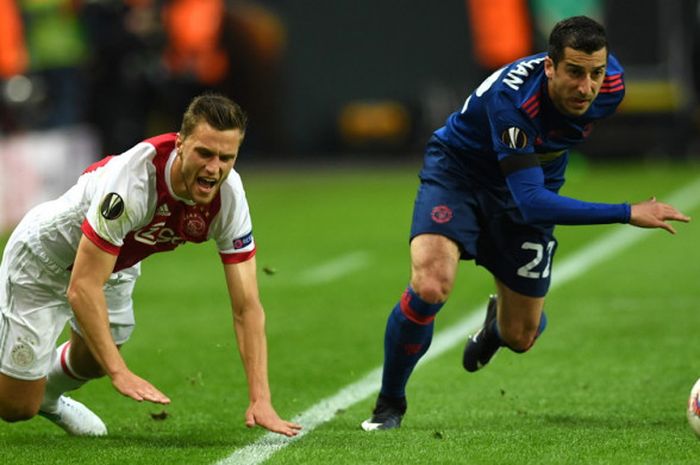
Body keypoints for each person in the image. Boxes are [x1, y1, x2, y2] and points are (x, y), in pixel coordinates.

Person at [361, 16, 691, 431]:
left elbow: (537, 181)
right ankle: (390, 403)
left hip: (531, 178)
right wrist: (627, 211)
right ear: (549, 66)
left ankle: (498, 326)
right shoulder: (513, 101)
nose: (586, 87)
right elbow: (533, 204)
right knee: (431, 283)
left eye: (595, 74)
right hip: (462, 175)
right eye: (573, 72)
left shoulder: (612, 85)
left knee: (521, 337)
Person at [0, 93, 302, 437]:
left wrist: (260, 398)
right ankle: (29, 388)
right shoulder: (134, 181)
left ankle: (48, 396)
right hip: (44, 260)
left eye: (225, 157)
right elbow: (82, 287)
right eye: (204, 153)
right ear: (181, 143)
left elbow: (247, 306)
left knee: (95, 360)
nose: (213, 168)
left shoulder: (228, 196)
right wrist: (120, 372)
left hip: (114, 261)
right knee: (14, 408)